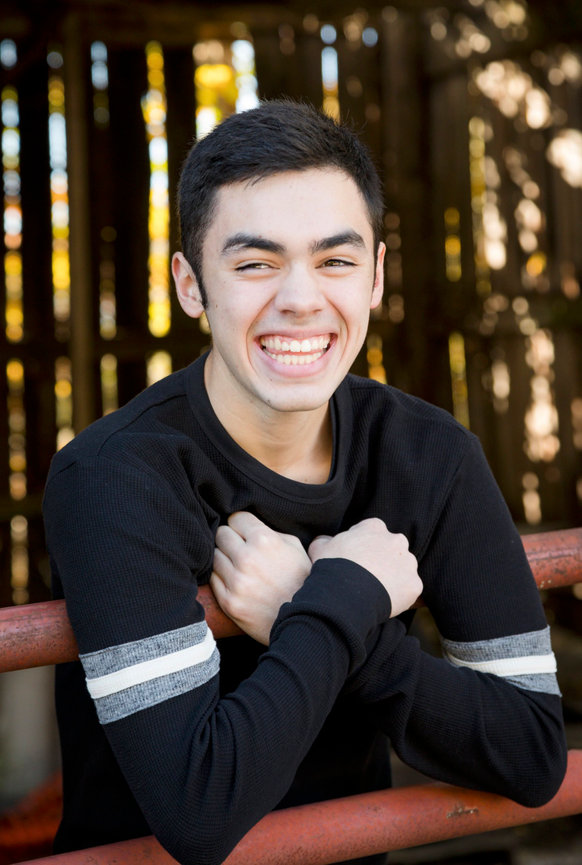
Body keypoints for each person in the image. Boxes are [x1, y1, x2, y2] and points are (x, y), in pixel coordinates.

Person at [43, 100, 567, 865]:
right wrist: (346, 599)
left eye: (336, 260)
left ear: (376, 276)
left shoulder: (429, 454)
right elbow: (197, 808)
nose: (299, 297)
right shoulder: (116, 477)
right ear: (191, 285)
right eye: (255, 263)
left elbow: (532, 751)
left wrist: (309, 609)